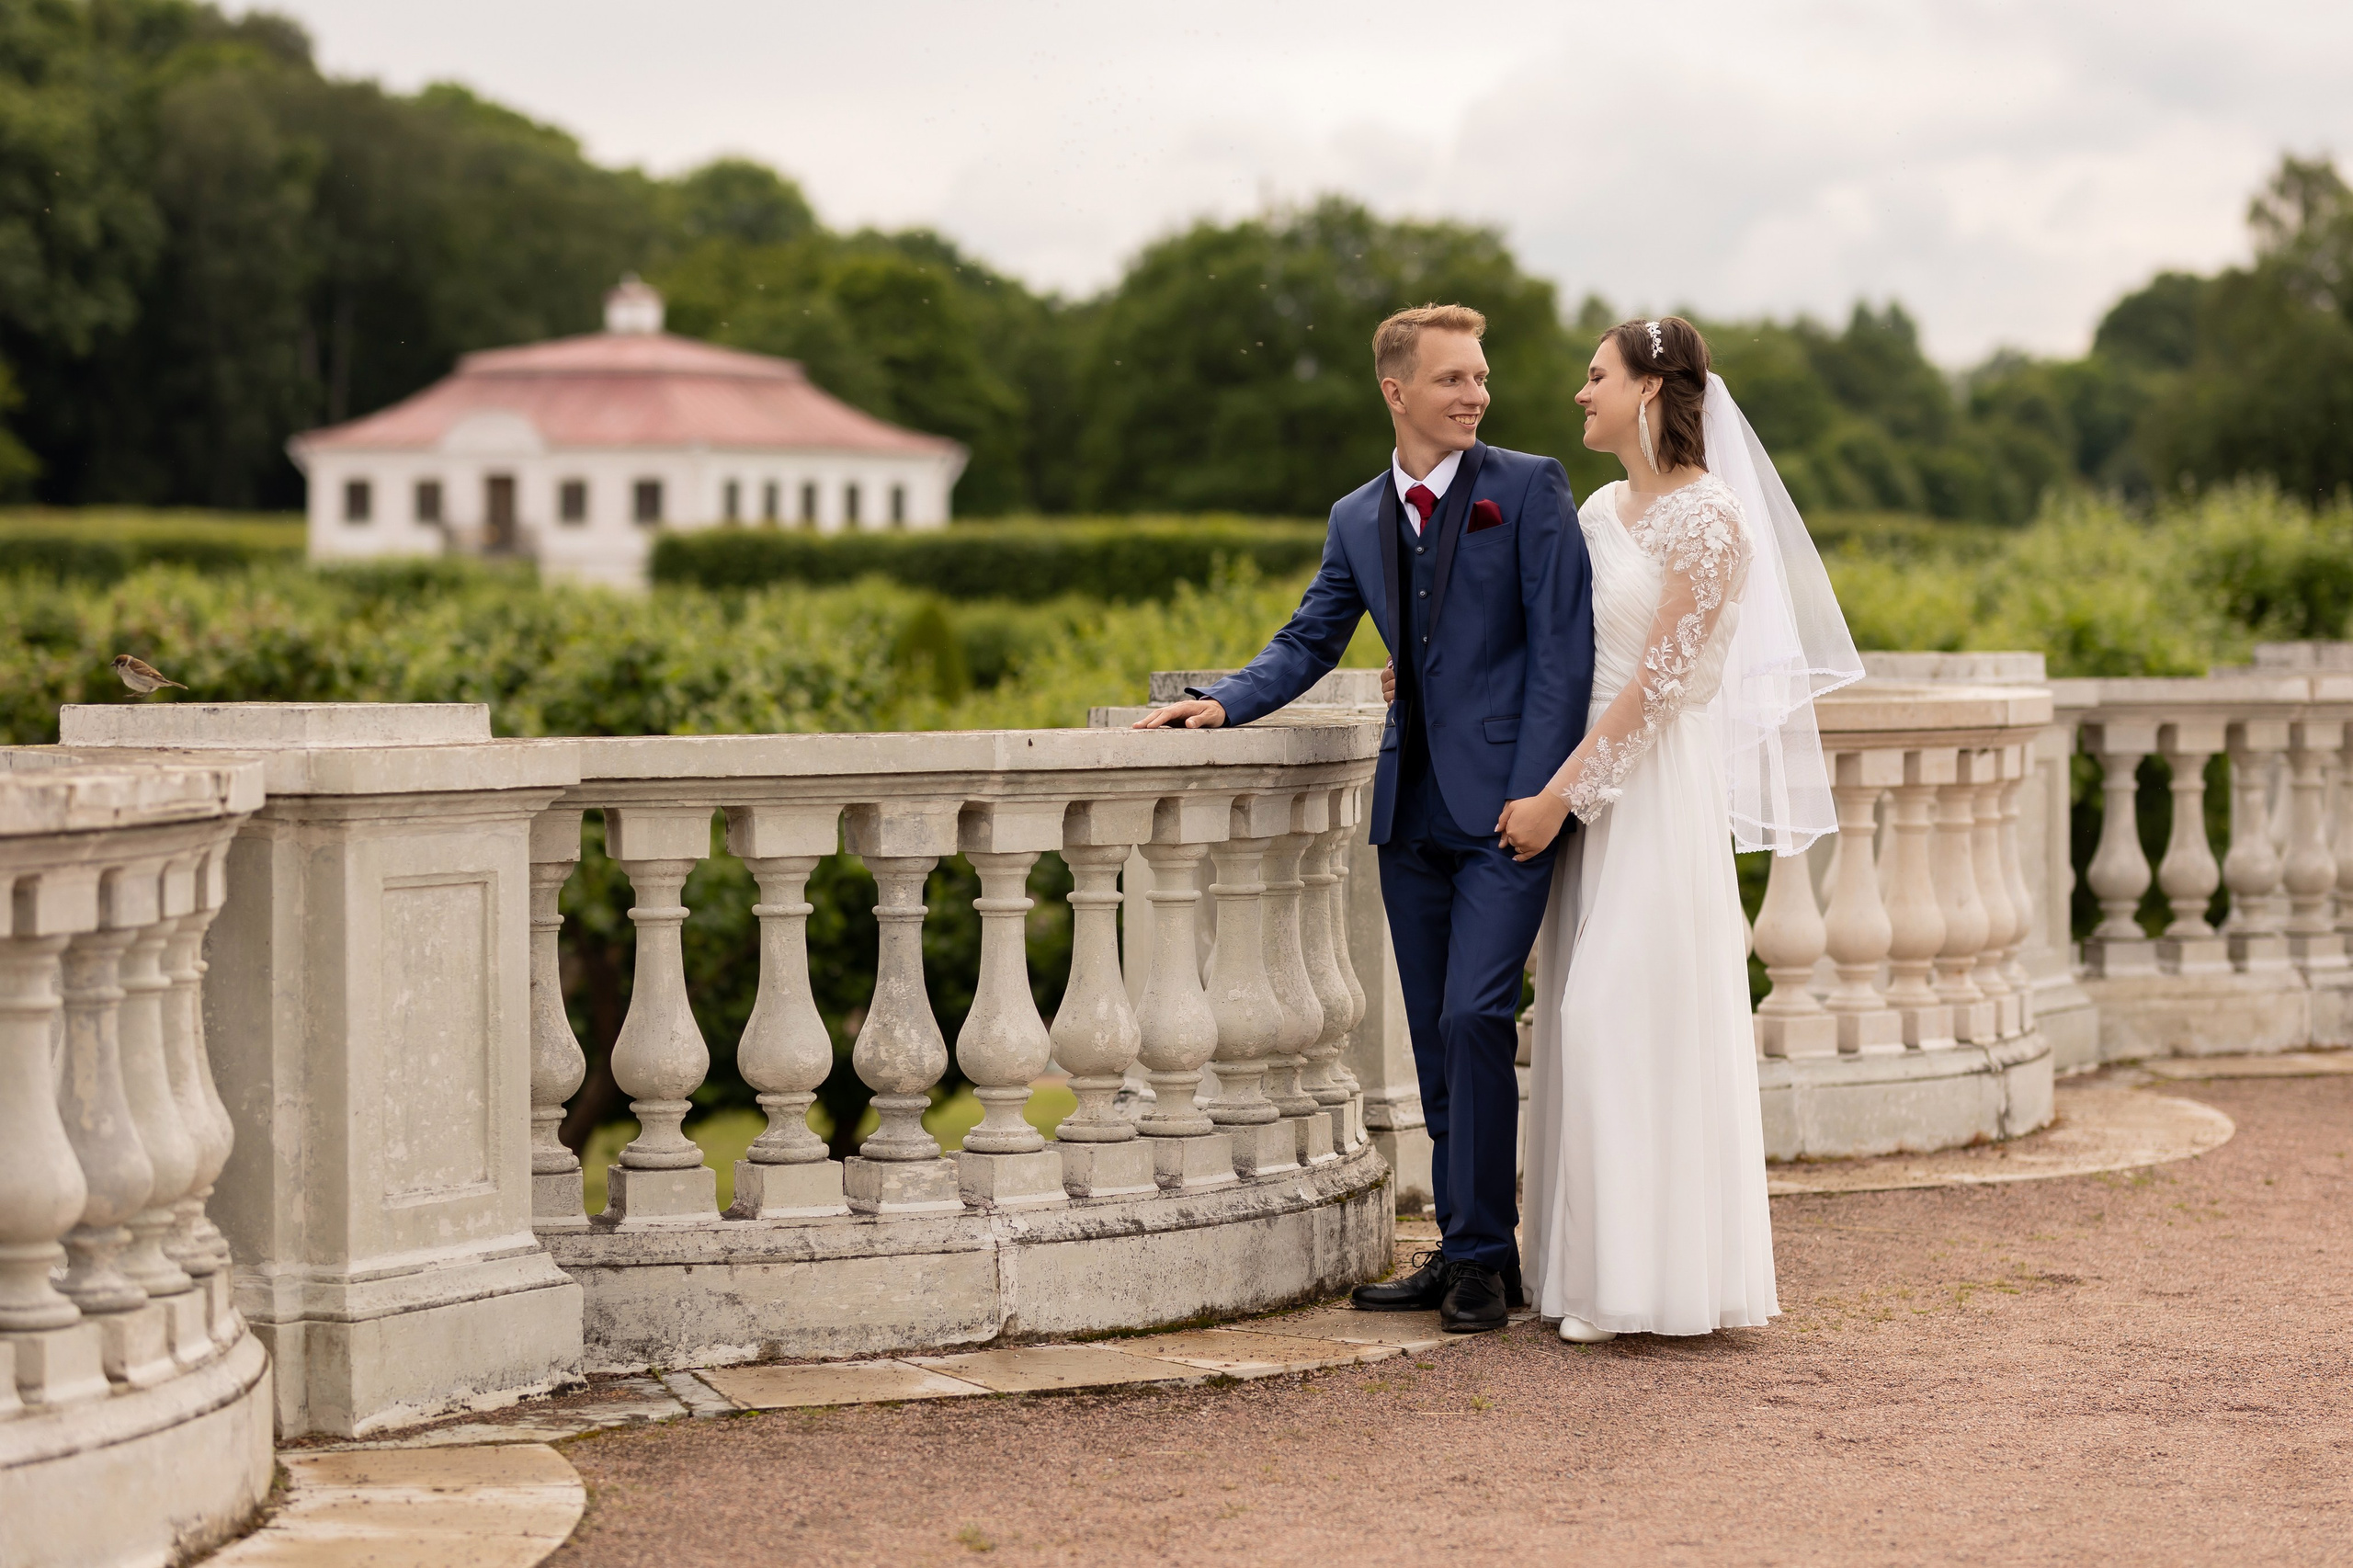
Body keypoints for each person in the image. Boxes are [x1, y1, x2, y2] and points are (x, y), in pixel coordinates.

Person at [1135, 303, 1594, 1334]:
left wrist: (1541, 794)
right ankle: (1469, 1248)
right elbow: (1308, 637)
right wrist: (1222, 700)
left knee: (1477, 1014)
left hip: (1507, 811)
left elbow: (1562, 653)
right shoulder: (1355, 516)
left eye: (1480, 377)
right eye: (1452, 379)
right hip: (1409, 810)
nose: (1476, 394)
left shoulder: (1528, 488)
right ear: (1397, 392)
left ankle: (1480, 1255)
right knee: (1435, 1034)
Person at [1450, 315, 1863, 1343]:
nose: (1577, 394)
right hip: (1586, 787)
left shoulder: (1713, 519)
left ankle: (1655, 1279)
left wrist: (1563, 796)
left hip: (1651, 793)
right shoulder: (1598, 507)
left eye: (1595, 377)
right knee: (1580, 1031)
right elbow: (1552, 638)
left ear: (1647, 388)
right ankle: (1587, 1272)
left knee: (1615, 1018)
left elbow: (1658, 686)